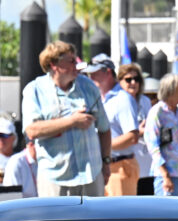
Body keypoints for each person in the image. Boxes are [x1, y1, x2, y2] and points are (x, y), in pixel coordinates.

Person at [22, 41, 111, 197]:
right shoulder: (34, 90)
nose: (76, 65)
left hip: (91, 175)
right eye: (70, 61)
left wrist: (106, 162)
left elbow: (104, 129)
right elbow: (32, 130)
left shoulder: (88, 86)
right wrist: (72, 121)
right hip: (55, 179)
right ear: (54, 65)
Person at [83, 54, 141, 196]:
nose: (91, 77)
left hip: (121, 167)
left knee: (120, 216)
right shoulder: (100, 98)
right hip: (106, 166)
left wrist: (102, 144)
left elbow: (132, 136)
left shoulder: (123, 99)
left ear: (107, 72)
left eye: (94, 73)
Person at [144, 73, 178, 197]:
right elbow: (152, 146)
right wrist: (165, 175)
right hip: (166, 175)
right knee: (165, 214)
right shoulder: (157, 112)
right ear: (170, 90)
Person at [118, 64, 154, 195]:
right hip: (125, 162)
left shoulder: (145, 101)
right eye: (128, 79)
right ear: (119, 81)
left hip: (146, 162)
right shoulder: (116, 102)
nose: (133, 83)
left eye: (137, 79)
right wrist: (137, 132)